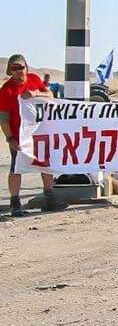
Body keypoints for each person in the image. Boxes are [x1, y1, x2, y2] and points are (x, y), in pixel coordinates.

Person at [0, 54, 66, 215]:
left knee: (46, 165)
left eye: (21, 67)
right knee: (16, 168)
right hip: (19, 136)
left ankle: (49, 198)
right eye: (14, 68)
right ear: (10, 70)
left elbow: (50, 96)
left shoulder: (34, 79)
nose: (18, 71)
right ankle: (15, 203)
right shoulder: (6, 90)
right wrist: (10, 138)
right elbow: (3, 118)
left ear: (26, 67)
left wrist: (36, 93)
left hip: (40, 133)